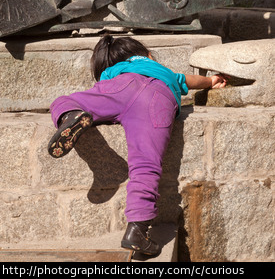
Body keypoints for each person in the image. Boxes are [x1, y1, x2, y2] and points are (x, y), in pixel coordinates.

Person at [48, 35, 227, 256]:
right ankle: (137, 230)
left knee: (63, 100)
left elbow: (102, 89)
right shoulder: (161, 70)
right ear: (147, 55)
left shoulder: (114, 72)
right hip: (158, 98)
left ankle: (71, 115)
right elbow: (189, 81)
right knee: (145, 163)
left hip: (119, 88)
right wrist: (211, 81)